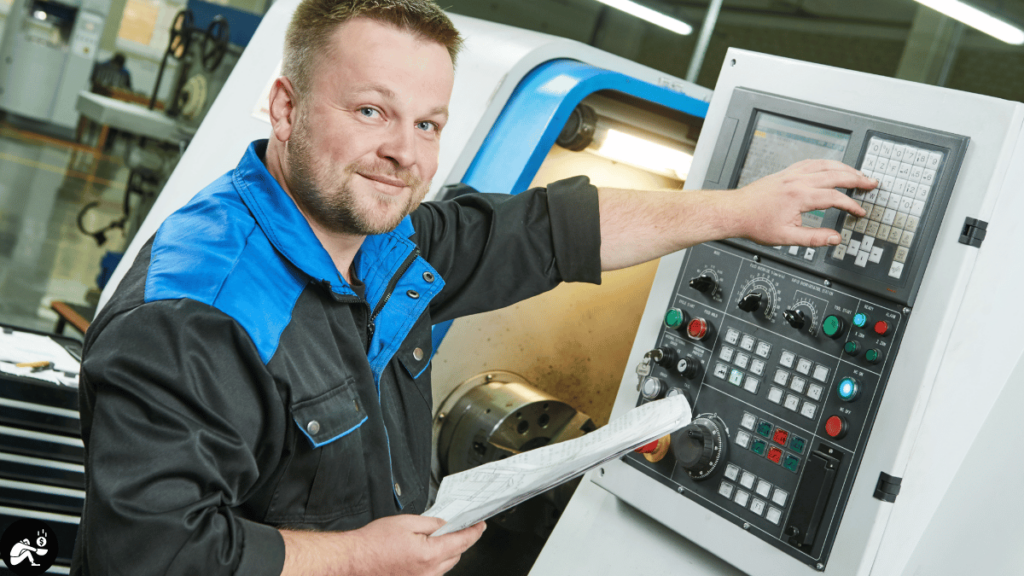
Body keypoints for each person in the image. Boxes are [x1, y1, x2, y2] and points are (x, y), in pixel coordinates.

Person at [71, 1, 875, 575]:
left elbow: (550, 233)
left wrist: (737, 211)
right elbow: (151, 554)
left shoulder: (385, 241)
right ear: (285, 107)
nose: (404, 153)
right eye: (371, 111)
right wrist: (359, 559)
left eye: (427, 124)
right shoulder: (197, 314)